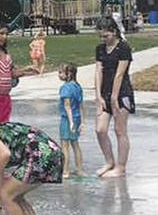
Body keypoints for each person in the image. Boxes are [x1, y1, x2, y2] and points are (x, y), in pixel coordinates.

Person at [94, 16, 135, 178]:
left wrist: (114, 98)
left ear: (115, 32)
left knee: (120, 130)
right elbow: (98, 72)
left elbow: (120, 74)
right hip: (105, 93)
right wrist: (98, 96)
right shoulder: (100, 49)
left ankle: (121, 167)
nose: (104, 39)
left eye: (106, 36)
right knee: (100, 129)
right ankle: (109, 161)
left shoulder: (123, 48)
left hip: (122, 93)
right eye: (101, 36)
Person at [58, 63, 85, 179]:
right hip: (77, 117)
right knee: (75, 144)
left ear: (68, 74)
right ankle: (79, 169)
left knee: (64, 145)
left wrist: (71, 122)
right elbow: (81, 105)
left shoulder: (65, 88)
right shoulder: (77, 86)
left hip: (67, 119)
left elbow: (67, 106)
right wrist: (82, 121)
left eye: (60, 72)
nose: (59, 75)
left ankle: (65, 171)